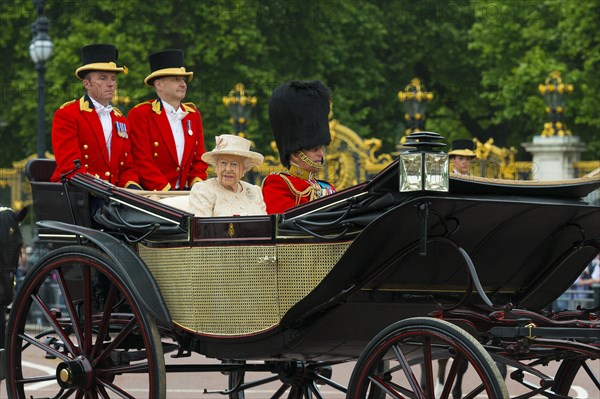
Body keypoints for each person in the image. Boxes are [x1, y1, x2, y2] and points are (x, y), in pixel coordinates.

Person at [50, 44, 141, 188]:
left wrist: (131, 188)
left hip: (114, 198)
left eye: (113, 78)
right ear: (87, 84)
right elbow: (70, 167)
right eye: (103, 78)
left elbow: (127, 167)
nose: (111, 84)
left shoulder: (120, 119)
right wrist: (104, 190)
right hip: (79, 195)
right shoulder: (68, 115)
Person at [128, 49, 207, 191]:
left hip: (184, 195)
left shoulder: (193, 115)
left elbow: (199, 159)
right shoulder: (141, 114)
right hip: (153, 196)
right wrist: (166, 191)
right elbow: (142, 160)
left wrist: (196, 186)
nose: (183, 84)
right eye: (176, 79)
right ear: (159, 85)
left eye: (183, 79)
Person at [262, 80, 335, 214]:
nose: (321, 154)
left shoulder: (327, 187)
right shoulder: (278, 184)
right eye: (314, 149)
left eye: (321, 148)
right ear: (295, 153)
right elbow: (284, 224)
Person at [187, 134, 265, 217]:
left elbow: (265, 226)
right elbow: (200, 228)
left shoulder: (255, 191)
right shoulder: (203, 190)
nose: (228, 169)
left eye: (234, 164)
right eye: (223, 163)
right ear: (216, 166)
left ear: (244, 169)